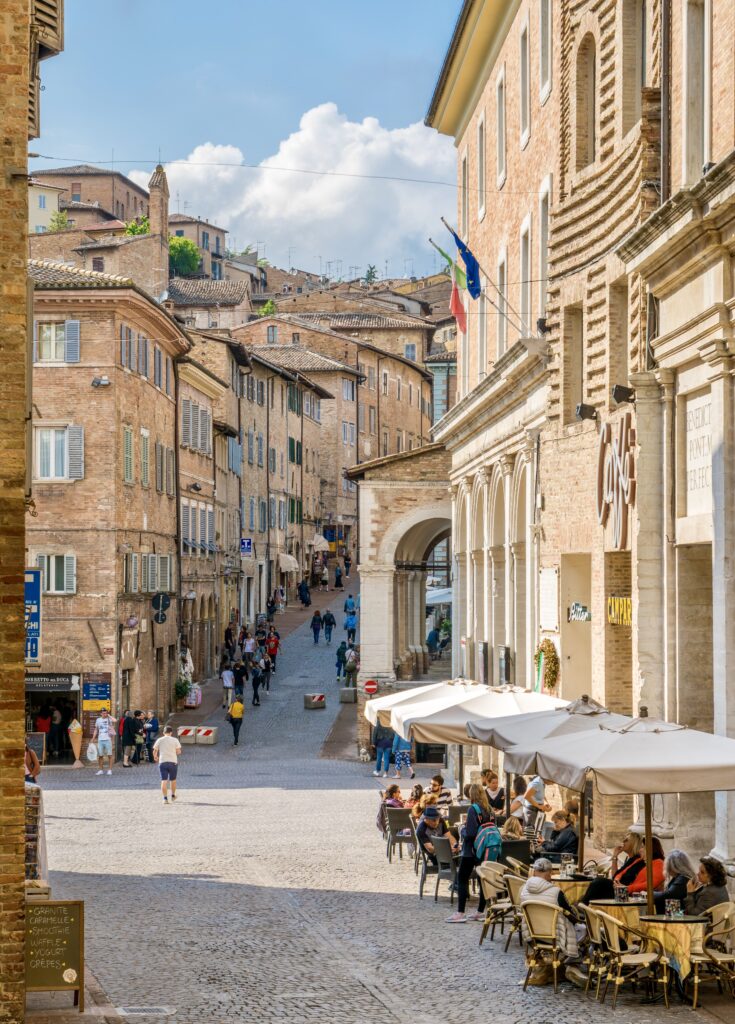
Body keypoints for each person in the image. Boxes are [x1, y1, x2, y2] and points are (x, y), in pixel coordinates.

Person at [446, 784, 493, 923]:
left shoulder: (473, 809)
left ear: (472, 795)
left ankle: (460, 913)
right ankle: (480, 911)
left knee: (462, 878)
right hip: (484, 849)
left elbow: (471, 833)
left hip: (470, 850)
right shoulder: (489, 809)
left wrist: (462, 830)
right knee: (481, 879)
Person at [520, 858, 579, 962]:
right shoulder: (556, 892)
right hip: (557, 937)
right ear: (549, 874)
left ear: (534, 872)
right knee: (582, 929)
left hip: (531, 936)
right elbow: (571, 916)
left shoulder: (524, 889)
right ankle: (573, 963)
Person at [581, 831, 665, 903]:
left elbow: (648, 885)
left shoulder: (657, 863)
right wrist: (615, 857)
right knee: (597, 885)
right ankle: (584, 908)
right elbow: (618, 875)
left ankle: (583, 907)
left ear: (650, 849)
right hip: (623, 889)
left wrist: (626, 888)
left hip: (629, 894)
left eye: (642, 847)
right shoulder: (639, 861)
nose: (640, 850)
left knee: (598, 883)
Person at [654, 849, 696, 914]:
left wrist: (650, 894)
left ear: (674, 867)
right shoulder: (680, 877)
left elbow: (669, 895)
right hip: (676, 911)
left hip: (679, 914)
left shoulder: (683, 878)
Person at [153, 725, 182, 804]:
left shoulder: (160, 740)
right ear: (171, 732)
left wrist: (155, 757)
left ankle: (165, 798)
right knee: (173, 780)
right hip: (173, 761)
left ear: (163, 733)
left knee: (164, 780)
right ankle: (173, 796)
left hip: (162, 761)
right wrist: (173, 753)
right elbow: (179, 751)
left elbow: (155, 751)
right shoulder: (175, 740)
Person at [92, 707, 116, 775]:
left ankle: (110, 770)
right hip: (100, 739)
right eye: (103, 713)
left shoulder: (109, 719)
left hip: (108, 739)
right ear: (101, 713)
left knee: (110, 755)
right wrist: (93, 738)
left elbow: (115, 720)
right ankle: (100, 770)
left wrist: (109, 715)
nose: (104, 714)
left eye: (105, 713)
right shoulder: (98, 720)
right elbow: (96, 729)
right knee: (100, 755)